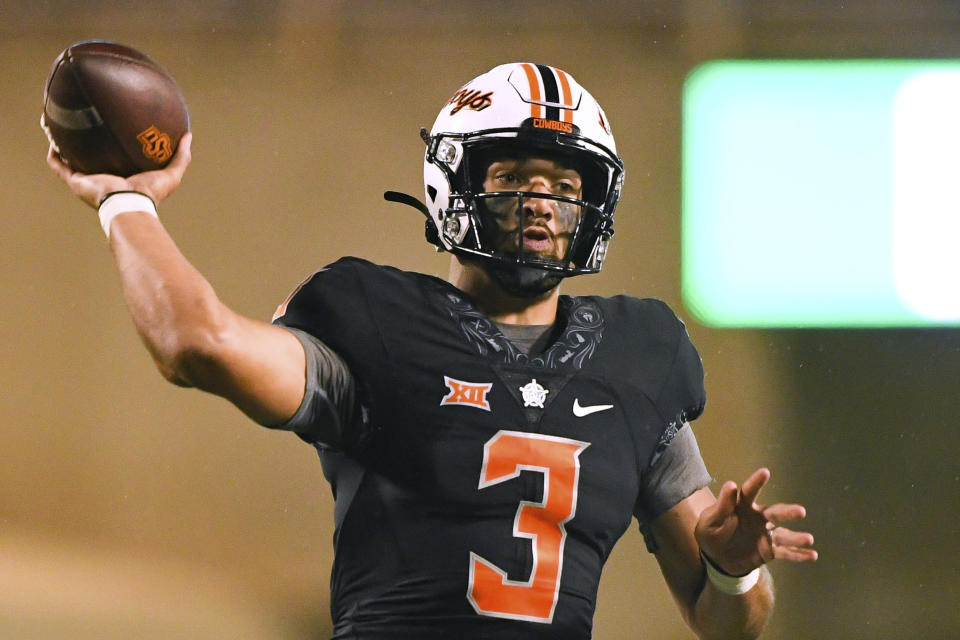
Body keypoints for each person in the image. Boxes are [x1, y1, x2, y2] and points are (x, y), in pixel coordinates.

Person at [47, 62, 817, 639]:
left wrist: (732, 564)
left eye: (565, 184)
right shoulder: (373, 322)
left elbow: (729, 622)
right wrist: (126, 200)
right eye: (514, 174)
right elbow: (195, 344)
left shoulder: (639, 357)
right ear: (455, 184)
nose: (542, 202)